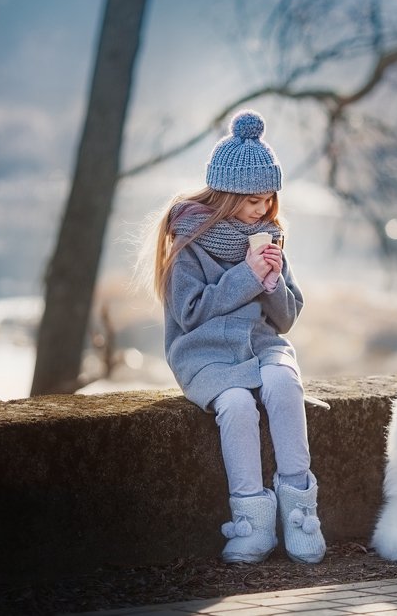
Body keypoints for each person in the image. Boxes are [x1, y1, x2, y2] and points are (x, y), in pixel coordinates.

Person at [149, 109, 325, 565]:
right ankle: (252, 521)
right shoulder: (189, 240)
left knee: (285, 384)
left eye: (269, 200)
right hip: (204, 355)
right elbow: (188, 314)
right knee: (238, 405)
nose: (262, 209)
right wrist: (246, 277)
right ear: (226, 196)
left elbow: (285, 320)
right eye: (253, 200)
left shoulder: (270, 238)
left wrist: (271, 282)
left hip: (261, 345)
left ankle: (302, 512)